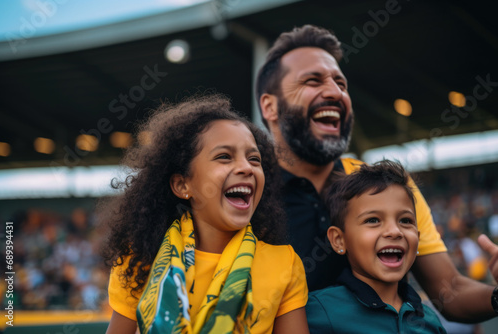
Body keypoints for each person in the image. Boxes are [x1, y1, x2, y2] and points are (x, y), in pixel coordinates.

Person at [255, 24, 498, 322]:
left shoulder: (390, 188)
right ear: (270, 106)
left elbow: (450, 292)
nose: (334, 92)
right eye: (312, 81)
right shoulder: (247, 193)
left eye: (341, 84)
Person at [101, 95, 309, 334]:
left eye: (254, 159)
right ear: (182, 185)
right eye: (224, 157)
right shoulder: (138, 260)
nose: (246, 167)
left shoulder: (285, 263)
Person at [306, 160, 447, 333]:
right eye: (373, 220)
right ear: (338, 240)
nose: (395, 231)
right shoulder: (317, 313)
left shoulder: (430, 320)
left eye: (405, 221)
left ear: (417, 238)